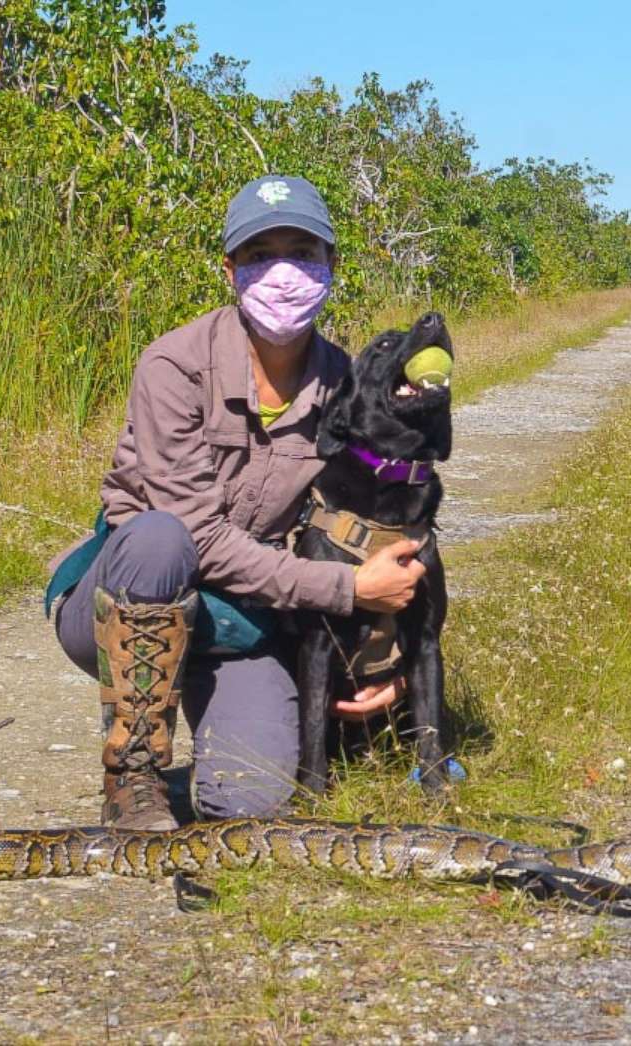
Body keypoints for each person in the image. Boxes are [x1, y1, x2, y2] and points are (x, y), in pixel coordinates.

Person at [46, 174, 426, 831]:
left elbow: (377, 526)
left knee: (251, 804)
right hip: (128, 596)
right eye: (260, 255)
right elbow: (200, 538)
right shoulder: (174, 366)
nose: (284, 272)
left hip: (241, 621)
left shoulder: (349, 386)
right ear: (230, 270)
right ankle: (134, 776)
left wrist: (380, 656)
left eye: (303, 251)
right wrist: (347, 589)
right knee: (162, 537)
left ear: (333, 264)